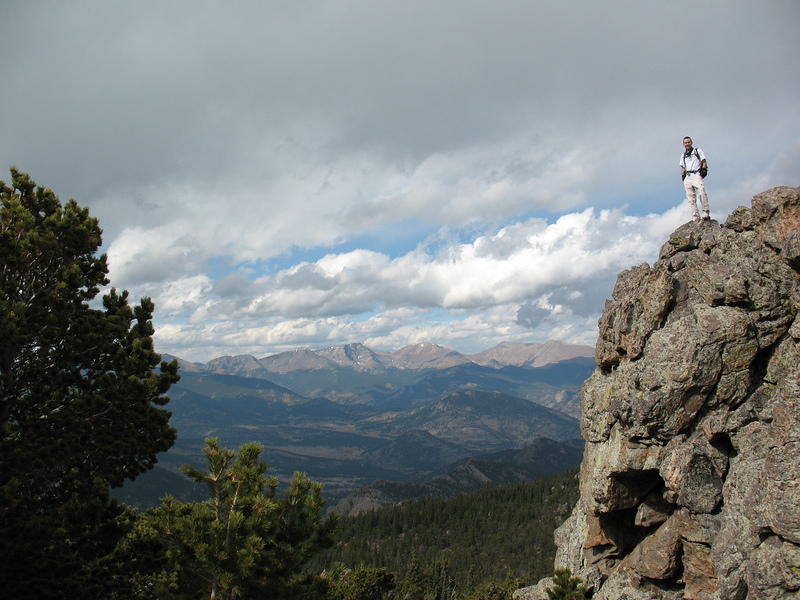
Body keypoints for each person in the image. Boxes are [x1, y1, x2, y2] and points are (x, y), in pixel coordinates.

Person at [680, 136, 711, 222]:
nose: (687, 144)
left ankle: (705, 211)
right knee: (691, 198)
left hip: (696, 174)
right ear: (683, 144)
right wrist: (683, 177)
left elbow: (704, 161)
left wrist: (703, 172)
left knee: (701, 192)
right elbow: (682, 167)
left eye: (688, 142)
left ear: (691, 142)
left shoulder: (697, 151)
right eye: (685, 143)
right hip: (688, 176)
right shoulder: (683, 156)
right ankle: (695, 215)